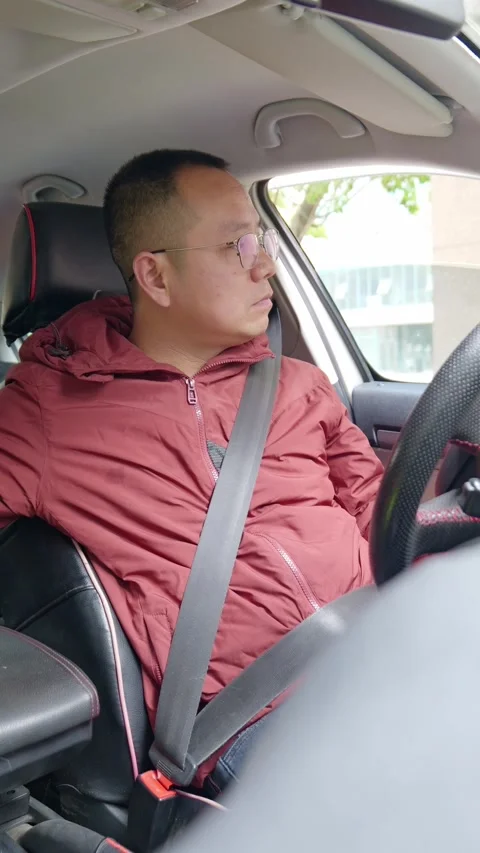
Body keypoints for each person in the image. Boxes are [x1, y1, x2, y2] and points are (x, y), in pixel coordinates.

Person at [0, 149, 383, 789]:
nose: (264, 265)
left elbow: (382, 513)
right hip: (258, 716)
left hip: (386, 650)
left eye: (261, 240)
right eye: (238, 246)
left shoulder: (298, 384)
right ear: (155, 275)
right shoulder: (49, 411)